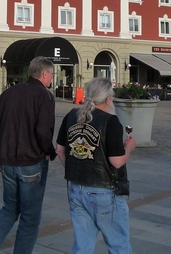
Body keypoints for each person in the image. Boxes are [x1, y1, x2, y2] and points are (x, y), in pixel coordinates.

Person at [0, 56, 57, 254]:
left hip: (7, 161)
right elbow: (43, 132)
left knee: (9, 209)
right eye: (51, 74)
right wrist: (49, 151)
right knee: (30, 217)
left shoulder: (10, 93)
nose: (52, 78)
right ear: (44, 74)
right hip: (31, 163)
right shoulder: (45, 96)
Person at [56, 77, 136, 254]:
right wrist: (128, 149)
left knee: (82, 247)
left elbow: (60, 150)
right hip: (104, 191)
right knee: (118, 246)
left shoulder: (71, 115)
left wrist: (73, 169)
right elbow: (116, 161)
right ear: (108, 99)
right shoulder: (111, 121)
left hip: (76, 189)